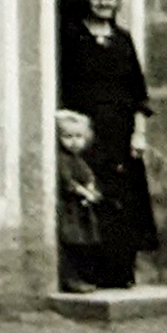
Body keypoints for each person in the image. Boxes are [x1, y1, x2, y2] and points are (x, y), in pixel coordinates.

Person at [58, 0, 157, 290]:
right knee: (88, 197)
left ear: (117, 2)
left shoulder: (123, 40)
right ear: (87, 0)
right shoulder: (72, 36)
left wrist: (138, 133)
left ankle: (120, 272)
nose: (103, 3)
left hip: (121, 134)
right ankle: (88, 272)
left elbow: (139, 92)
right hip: (84, 134)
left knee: (123, 201)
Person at [54, 108, 106, 292]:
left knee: (82, 243)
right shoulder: (62, 159)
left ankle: (83, 276)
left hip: (80, 209)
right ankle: (70, 280)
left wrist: (91, 187)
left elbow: (87, 175)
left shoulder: (78, 159)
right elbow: (67, 181)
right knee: (71, 243)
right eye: (68, 136)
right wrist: (84, 192)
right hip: (69, 208)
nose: (74, 141)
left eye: (79, 136)